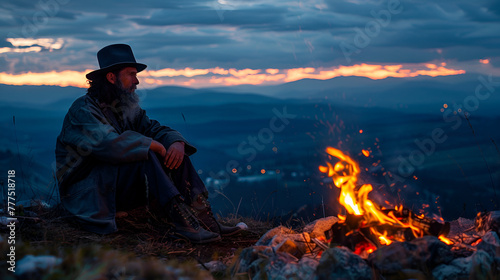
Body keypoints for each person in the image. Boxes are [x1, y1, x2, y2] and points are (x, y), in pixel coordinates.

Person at [55, 44, 241, 243]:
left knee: (176, 153)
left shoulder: (124, 107)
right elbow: (110, 144)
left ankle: (205, 220)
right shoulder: (83, 110)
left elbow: (153, 128)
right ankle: (183, 222)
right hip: (88, 194)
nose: (137, 81)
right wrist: (152, 145)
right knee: (145, 153)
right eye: (131, 74)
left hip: (111, 186)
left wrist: (176, 142)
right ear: (111, 77)